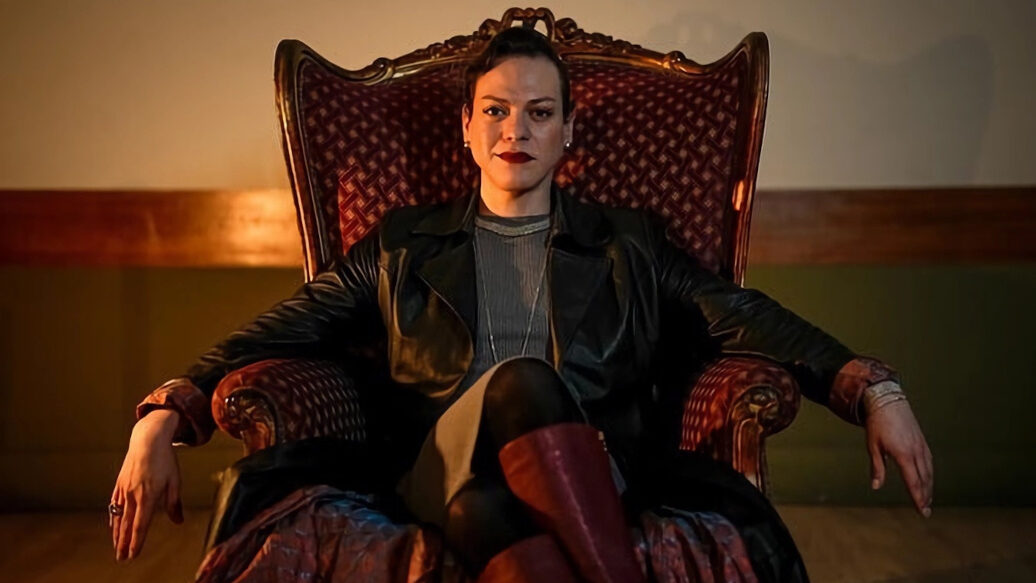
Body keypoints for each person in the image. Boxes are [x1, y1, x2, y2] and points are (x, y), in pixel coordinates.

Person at [110, 27, 933, 582]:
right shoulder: (402, 247)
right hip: (434, 462)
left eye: (541, 113)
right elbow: (277, 330)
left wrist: (872, 387)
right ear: (466, 127)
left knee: (482, 514)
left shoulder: (627, 244)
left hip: (586, 467)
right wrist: (161, 413)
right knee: (515, 383)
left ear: (568, 131)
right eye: (496, 112)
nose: (517, 130)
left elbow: (744, 315)